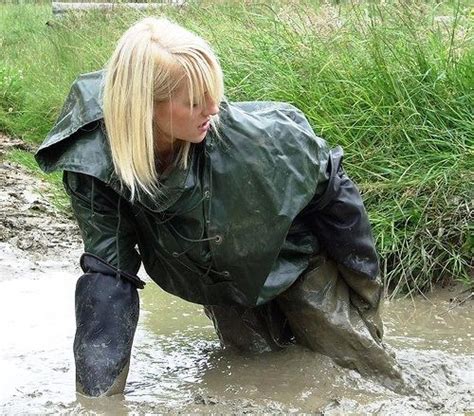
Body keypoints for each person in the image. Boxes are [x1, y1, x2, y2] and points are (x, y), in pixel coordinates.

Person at [36, 17, 403, 397]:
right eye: (195, 101)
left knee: (367, 374)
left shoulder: (258, 139)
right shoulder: (97, 162)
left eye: (214, 92)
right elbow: (109, 275)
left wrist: (366, 293)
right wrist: (97, 401)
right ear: (144, 107)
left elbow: (335, 197)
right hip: (214, 280)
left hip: (293, 258)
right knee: (254, 375)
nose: (214, 109)